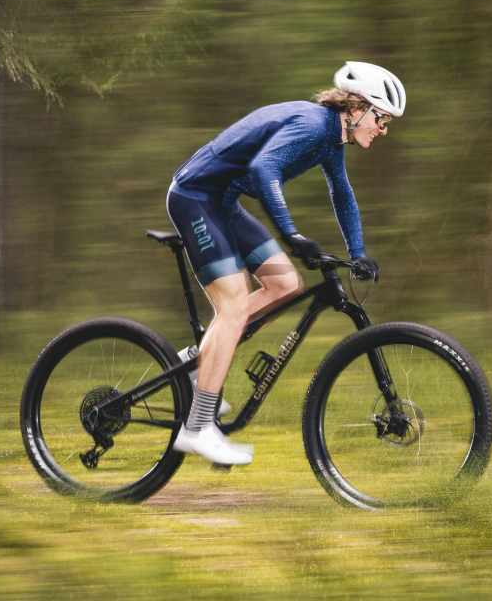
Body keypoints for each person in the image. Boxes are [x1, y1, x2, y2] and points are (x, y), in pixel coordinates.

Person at [165, 61, 405, 465]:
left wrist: (358, 251)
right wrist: (292, 235)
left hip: (222, 203)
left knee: (285, 286)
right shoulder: (313, 125)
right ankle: (198, 427)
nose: (382, 129)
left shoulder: (332, 139)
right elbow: (263, 170)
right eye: (381, 118)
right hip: (195, 197)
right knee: (234, 302)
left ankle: (197, 362)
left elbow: (341, 193)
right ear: (357, 107)